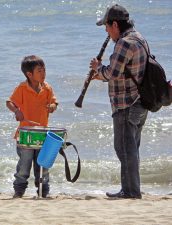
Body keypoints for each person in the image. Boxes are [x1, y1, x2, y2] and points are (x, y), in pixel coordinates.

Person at [90, 4, 148, 199]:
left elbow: (113, 73)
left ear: (115, 24)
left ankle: (131, 191)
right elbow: (125, 71)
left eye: (107, 26)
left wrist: (98, 69)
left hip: (126, 103)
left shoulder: (124, 43)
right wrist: (102, 74)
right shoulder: (139, 38)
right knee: (131, 149)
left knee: (124, 149)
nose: (106, 31)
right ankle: (131, 188)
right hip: (140, 102)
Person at [6, 55, 58, 198]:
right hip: (25, 133)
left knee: (43, 165)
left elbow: (54, 102)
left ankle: (43, 191)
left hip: (42, 133)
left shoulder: (47, 88)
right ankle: (19, 191)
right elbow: (9, 102)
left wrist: (52, 107)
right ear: (29, 74)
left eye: (44, 70)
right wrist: (17, 111)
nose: (44, 73)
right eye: (39, 71)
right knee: (24, 165)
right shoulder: (22, 88)